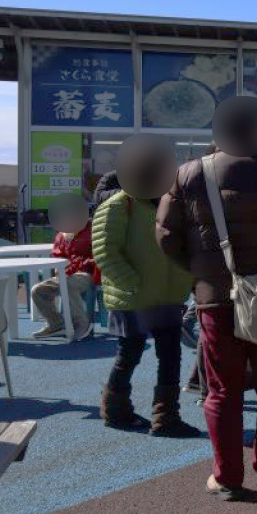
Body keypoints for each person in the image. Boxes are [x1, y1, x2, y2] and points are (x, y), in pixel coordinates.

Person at [156, 101, 257, 500]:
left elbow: (166, 236)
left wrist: (204, 273)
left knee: (222, 390)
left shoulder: (190, 173)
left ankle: (227, 477)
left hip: (215, 300)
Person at [93, 176, 198, 436]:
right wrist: (130, 282)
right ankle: (117, 411)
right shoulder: (120, 203)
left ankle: (165, 417)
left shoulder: (172, 201)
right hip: (134, 296)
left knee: (171, 356)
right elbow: (104, 249)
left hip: (168, 293)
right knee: (130, 352)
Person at [31, 207, 98, 340]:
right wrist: (59, 267)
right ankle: (55, 324)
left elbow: (99, 255)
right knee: (38, 290)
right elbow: (58, 255)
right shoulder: (61, 235)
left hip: (88, 273)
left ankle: (81, 323)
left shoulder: (94, 231)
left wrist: (79, 264)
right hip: (66, 274)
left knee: (68, 285)